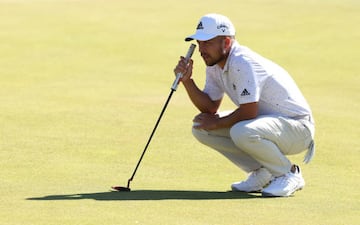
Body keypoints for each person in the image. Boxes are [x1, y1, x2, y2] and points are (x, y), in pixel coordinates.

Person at [173, 13, 315, 197]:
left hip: (298, 128)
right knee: (201, 127)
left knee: (242, 130)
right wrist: (187, 81)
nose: (201, 49)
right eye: (199, 43)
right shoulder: (215, 65)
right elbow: (210, 109)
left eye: (207, 42)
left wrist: (216, 123)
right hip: (267, 123)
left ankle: (289, 173)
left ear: (226, 43)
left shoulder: (242, 62)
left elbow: (249, 111)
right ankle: (263, 171)